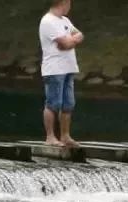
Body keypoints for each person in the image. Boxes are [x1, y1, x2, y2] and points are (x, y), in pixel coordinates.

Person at [39, 0, 84, 146]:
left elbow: (79, 35)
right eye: (69, 2)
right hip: (54, 69)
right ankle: (50, 137)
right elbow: (64, 44)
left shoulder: (65, 20)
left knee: (68, 104)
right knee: (53, 103)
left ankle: (65, 136)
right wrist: (70, 40)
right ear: (63, 2)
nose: (70, 5)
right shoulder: (48, 21)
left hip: (69, 67)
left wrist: (71, 40)